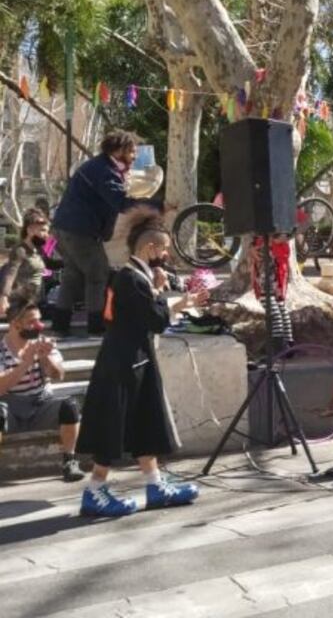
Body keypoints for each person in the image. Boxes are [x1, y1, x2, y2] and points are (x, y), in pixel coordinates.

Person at [76, 207, 208, 517]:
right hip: (123, 363)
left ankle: (154, 483)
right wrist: (166, 295)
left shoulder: (134, 278)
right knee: (114, 426)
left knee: (145, 420)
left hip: (135, 358)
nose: (165, 255)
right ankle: (95, 489)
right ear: (149, 248)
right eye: (162, 248)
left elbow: (150, 316)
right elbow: (156, 319)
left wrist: (173, 298)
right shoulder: (130, 279)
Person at [51, 130, 143, 336]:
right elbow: (120, 202)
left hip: (63, 228)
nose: (134, 157)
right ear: (119, 150)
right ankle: (96, 326)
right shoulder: (105, 171)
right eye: (132, 152)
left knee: (72, 277)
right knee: (98, 274)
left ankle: (60, 325)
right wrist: (155, 206)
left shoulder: (99, 166)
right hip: (79, 231)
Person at [0, 291, 84, 481]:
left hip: (40, 404)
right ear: (15, 324)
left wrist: (46, 359)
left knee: (69, 406)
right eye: (32, 322)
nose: (39, 326)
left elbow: (59, 375)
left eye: (39, 320)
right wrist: (25, 362)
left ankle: (70, 461)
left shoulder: (43, 343)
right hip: (10, 408)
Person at [0, 208, 52, 316]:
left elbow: (51, 264)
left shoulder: (39, 249)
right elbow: (10, 274)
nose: (46, 235)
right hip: (21, 305)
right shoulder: (20, 250)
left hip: (36, 302)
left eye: (47, 231)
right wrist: (4, 297)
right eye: (42, 230)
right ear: (29, 230)